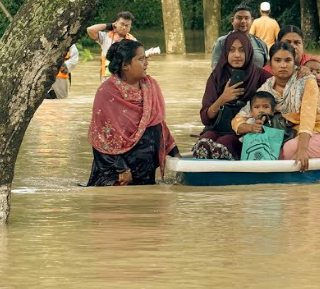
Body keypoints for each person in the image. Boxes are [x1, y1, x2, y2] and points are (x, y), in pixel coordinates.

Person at [233, 42, 320, 171]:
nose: (283, 65)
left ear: (295, 62)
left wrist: (302, 150)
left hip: (318, 134)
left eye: (288, 60)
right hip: (288, 136)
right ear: (270, 64)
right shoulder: (266, 89)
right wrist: (250, 127)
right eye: (277, 60)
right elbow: (239, 118)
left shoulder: (307, 81)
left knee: (288, 149)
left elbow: (308, 117)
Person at [87, 39, 180, 186]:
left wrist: (175, 153)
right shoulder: (107, 92)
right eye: (141, 59)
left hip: (145, 170)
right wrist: (122, 170)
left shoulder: (150, 86)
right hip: (117, 177)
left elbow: (159, 124)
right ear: (125, 65)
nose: (146, 63)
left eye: (145, 58)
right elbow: (102, 138)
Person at [195, 32, 271, 160]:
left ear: (248, 52)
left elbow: (281, 89)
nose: (237, 55)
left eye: (242, 50)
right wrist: (222, 99)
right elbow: (205, 118)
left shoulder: (260, 76)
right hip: (216, 128)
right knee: (204, 141)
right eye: (232, 50)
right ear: (225, 53)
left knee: (225, 142)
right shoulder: (216, 77)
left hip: (245, 131)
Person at [267, 25, 320, 110]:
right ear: (278, 45)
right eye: (287, 43)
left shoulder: (316, 65)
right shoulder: (271, 68)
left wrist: (312, 87)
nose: (293, 46)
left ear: (303, 45)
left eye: (297, 43)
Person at [87, 11, 138, 82]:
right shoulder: (106, 37)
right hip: (107, 78)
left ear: (130, 27)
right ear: (116, 23)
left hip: (125, 78)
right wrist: (109, 25)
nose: (124, 27)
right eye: (122, 24)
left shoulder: (133, 41)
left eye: (127, 25)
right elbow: (90, 30)